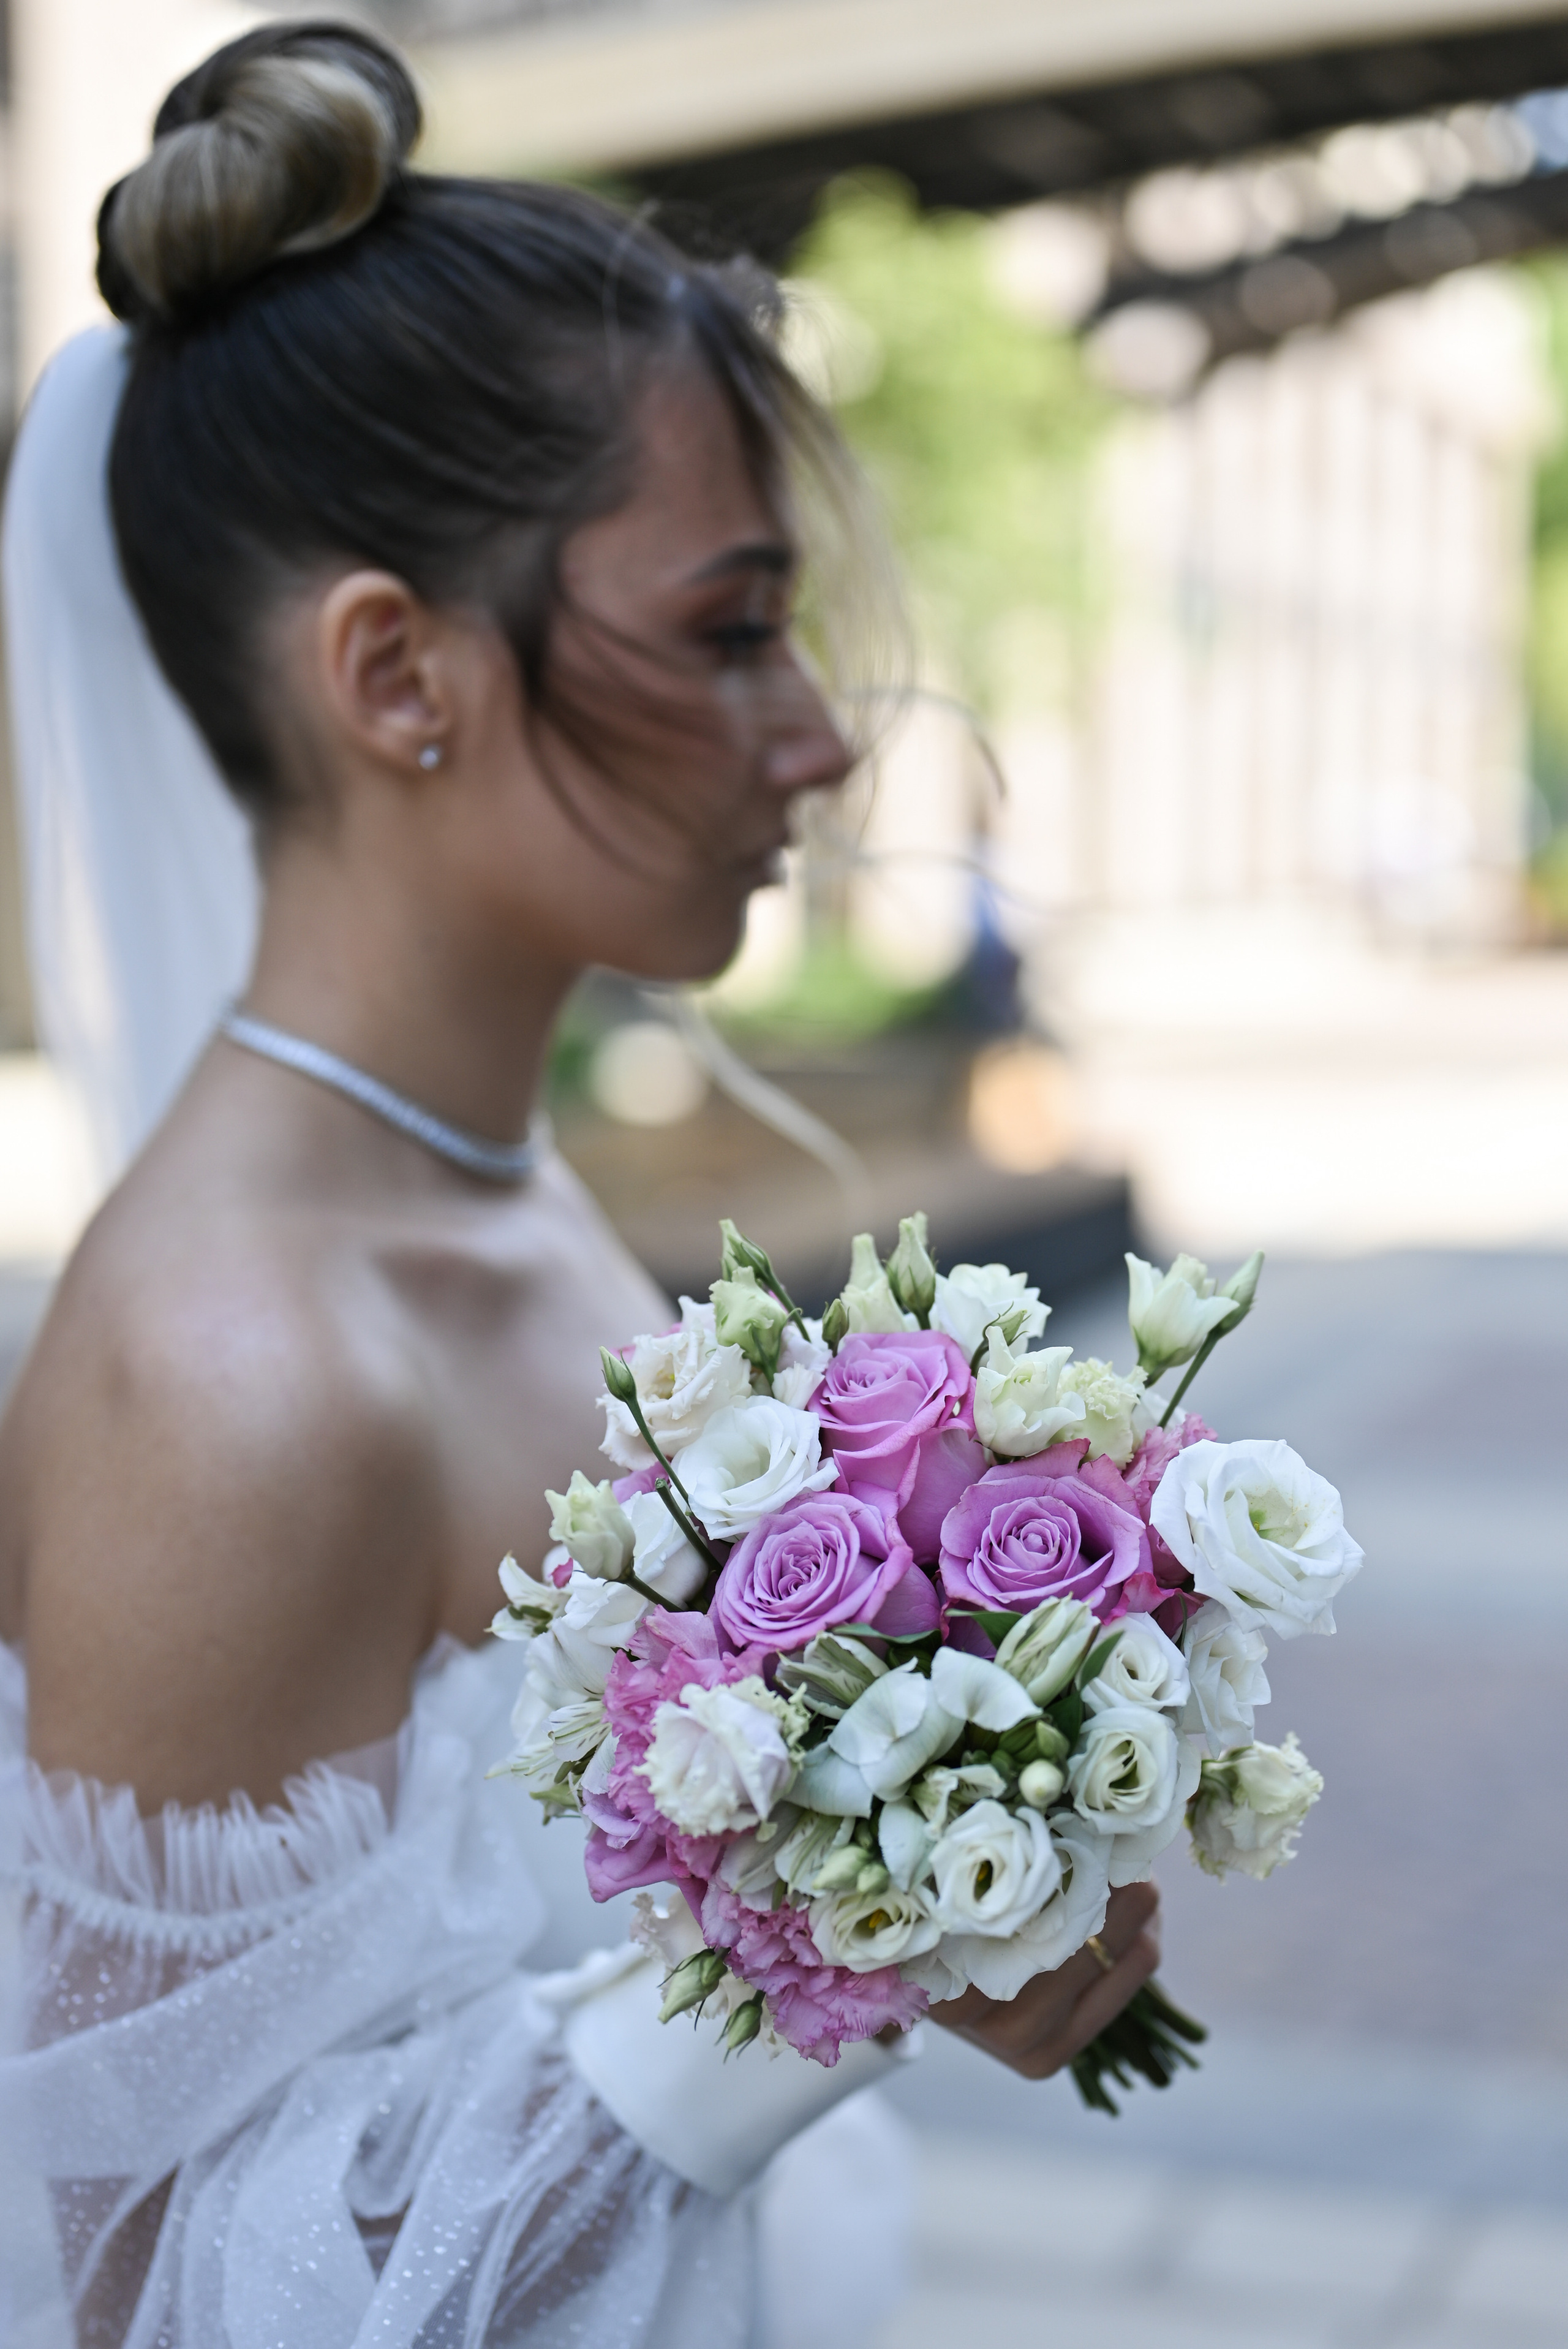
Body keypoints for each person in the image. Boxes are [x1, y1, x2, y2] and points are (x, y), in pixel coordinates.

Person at [0, 21, 1161, 2347]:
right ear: (392, 672)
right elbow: (147, 2286)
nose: (821, 732)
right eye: (729, 631)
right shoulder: (230, 1374)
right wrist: (833, 1943)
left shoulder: (494, 1189)